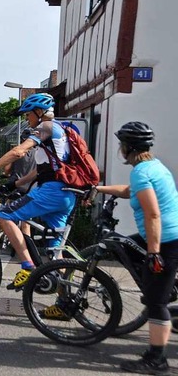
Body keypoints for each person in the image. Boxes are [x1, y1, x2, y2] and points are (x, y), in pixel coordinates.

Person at [93, 122, 178, 374]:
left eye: (121, 144)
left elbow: (152, 214)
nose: (120, 149)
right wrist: (99, 189)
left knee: (155, 301)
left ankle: (157, 359)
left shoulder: (141, 171)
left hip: (165, 240)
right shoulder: (154, 166)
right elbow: (131, 192)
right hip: (167, 235)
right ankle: (158, 288)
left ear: (128, 147)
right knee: (127, 247)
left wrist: (153, 254)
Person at [0, 93, 76, 289]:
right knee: (55, 253)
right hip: (66, 194)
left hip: (51, 192)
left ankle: (27, 267)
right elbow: (40, 169)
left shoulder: (45, 127)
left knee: (2, 215)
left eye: (28, 115)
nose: (27, 119)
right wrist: (16, 184)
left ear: (39, 112)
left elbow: (19, 151)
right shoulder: (60, 130)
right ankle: (64, 302)